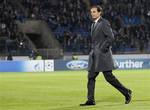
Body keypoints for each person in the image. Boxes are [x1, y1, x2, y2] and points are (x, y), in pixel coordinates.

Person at [80, 5, 132, 106]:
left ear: (100, 13)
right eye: (91, 12)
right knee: (90, 77)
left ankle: (127, 92)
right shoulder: (93, 24)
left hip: (103, 55)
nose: (92, 13)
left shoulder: (104, 23)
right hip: (94, 56)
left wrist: (102, 49)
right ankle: (91, 100)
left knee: (109, 77)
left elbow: (111, 37)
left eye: (94, 12)